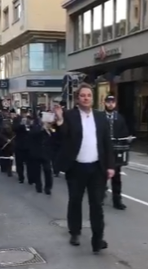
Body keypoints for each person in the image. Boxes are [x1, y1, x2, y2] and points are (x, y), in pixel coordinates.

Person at [54, 82, 115, 254]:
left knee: (97, 204)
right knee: (75, 201)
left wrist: (110, 166)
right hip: (76, 168)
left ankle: (97, 239)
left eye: (88, 95)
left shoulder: (100, 117)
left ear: (93, 98)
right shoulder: (70, 115)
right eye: (82, 95)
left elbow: (107, 143)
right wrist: (59, 120)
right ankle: (75, 232)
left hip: (97, 168)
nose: (86, 98)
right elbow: (63, 136)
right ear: (77, 98)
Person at [104, 95, 129, 210]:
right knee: (102, 174)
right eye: (108, 102)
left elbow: (125, 132)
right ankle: (99, 195)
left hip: (116, 150)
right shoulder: (100, 117)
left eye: (112, 102)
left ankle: (117, 200)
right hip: (103, 150)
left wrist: (126, 140)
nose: (110, 104)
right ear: (105, 103)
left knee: (116, 176)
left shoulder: (120, 118)